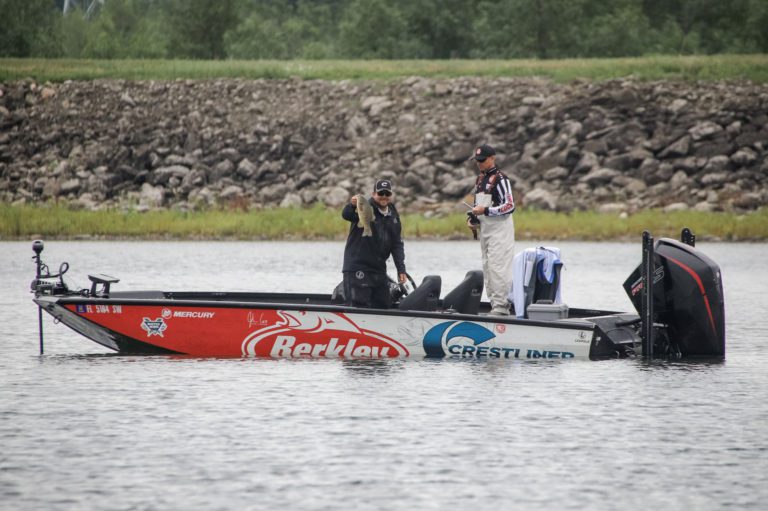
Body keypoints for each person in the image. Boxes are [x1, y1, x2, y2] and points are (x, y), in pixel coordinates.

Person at [341, 179, 407, 308]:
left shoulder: (393, 215)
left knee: (383, 306)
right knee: (358, 307)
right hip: (358, 268)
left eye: (387, 194)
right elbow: (347, 215)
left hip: (379, 269)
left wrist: (401, 269)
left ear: (391, 195)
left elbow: (397, 244)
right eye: (380, 193)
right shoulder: (365, 207)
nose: (383, 196)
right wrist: (352, 205)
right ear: (373, 194)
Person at [468, 144, 516, 315]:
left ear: (492, 158)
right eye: (477, 161)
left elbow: (510, 206)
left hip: (500, 231)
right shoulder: (479, 180)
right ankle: (495, 304)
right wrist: (473, 219)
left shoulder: (501, 179)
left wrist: (486, 211)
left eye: (482, 160)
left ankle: (502, 307)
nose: (479, 164)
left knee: (498, 268)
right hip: (486, 231)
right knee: (488, 268)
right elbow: (477, 206)